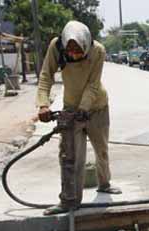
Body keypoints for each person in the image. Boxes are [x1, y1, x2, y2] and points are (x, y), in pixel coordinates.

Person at [36, 21, 121, 215]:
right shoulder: (56, 46)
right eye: (71, 51)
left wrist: (83, 109)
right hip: (71, 107)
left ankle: (104, 183)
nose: (74, 55)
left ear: (87, 44)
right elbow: (46, 75)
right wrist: (43, 104)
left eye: (78, 51)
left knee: (102, 150)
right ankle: (69, 199)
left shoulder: (98, 50)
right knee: (70, 156)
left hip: (97, 107)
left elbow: (93, 84)